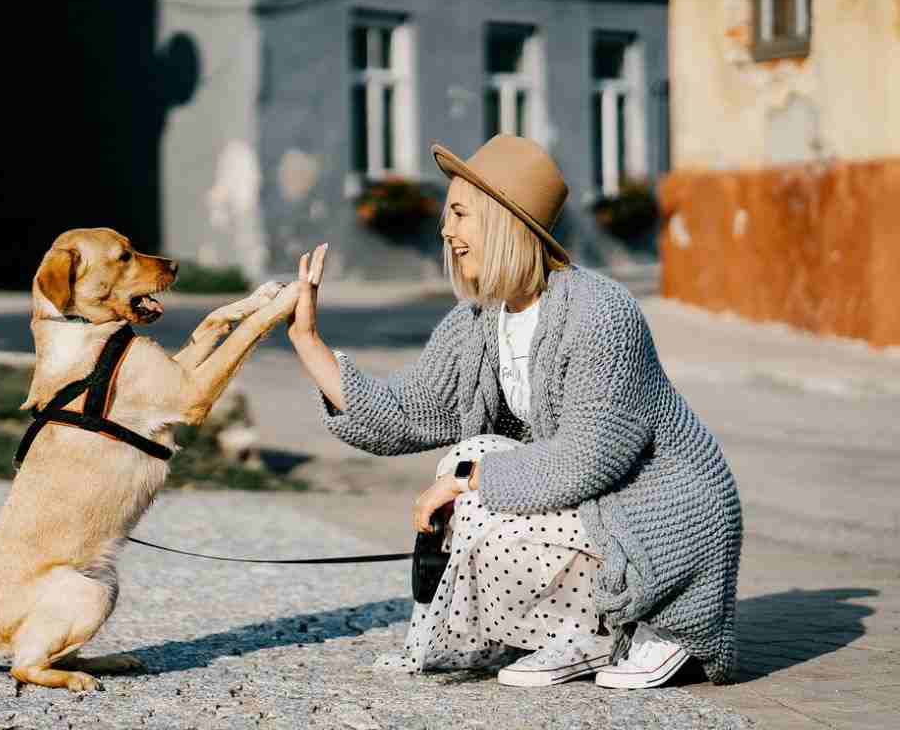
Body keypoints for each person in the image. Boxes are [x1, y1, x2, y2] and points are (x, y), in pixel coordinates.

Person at [286, 135, 742, 689]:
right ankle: (576, 634)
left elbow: (587, 459)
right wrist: (309, 341)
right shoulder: (480, 320)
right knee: (469, 457)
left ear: (503, 220)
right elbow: (406, 414)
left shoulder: (601, 313)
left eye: (459, 214)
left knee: (471, 478)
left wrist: (465, 483)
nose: (445, 231)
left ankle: (640, 626)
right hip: (595, 507)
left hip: (661, 516)